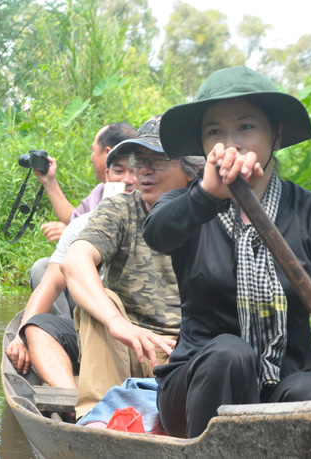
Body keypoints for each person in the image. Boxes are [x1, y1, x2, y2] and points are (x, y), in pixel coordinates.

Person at [142, 66, 311, 439]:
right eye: (214, 132)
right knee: (230, 354)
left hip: (281, 386)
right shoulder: (186, 204)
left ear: (277, 134)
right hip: (194, 389)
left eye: (246, 127)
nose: (230, 144)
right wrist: (206, 196)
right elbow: (157, 234)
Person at [60, 115, 206, 420]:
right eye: (140, 161)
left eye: (158, 161)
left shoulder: (211, 215)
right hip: (129, 349)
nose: (145, 171)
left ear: (192, 171)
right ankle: (98, 421)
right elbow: (75, 262)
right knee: (102, 302)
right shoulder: (121, 209)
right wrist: (118, 323)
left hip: (190, 358)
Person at [5, 143, 139, 390]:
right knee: (35, 326)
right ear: (107, 178)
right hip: (97, 324)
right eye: (119, 171)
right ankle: (72, 403)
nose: (128, 180)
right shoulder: (84, 224)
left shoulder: (162, 220)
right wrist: (20, 335)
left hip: (141, 331)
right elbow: (52, 282)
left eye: (136, 171)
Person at [36, 123, 136, 242]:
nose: (91, 158)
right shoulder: (101, 191)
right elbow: (73, 219)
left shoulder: (141, 195)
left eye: (93, 151)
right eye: (119, 171)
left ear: (107, 152)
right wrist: (49, 180)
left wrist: (74, 233)